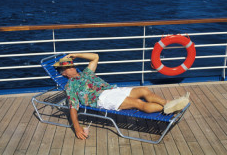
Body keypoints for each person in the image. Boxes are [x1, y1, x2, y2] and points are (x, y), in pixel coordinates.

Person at [54, 53, 190, 140]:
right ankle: (167, 108)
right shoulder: (70, 86)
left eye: (71, 65)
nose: (72, 67)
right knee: (138, 103)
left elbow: (95, 56)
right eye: (67, 67)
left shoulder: (86, 73)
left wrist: (76, 55)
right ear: (63, 74)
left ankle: (169, 104)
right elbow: (73, 107)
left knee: (143, 90)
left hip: (112, 90)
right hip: (102, 98)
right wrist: (77, 128)